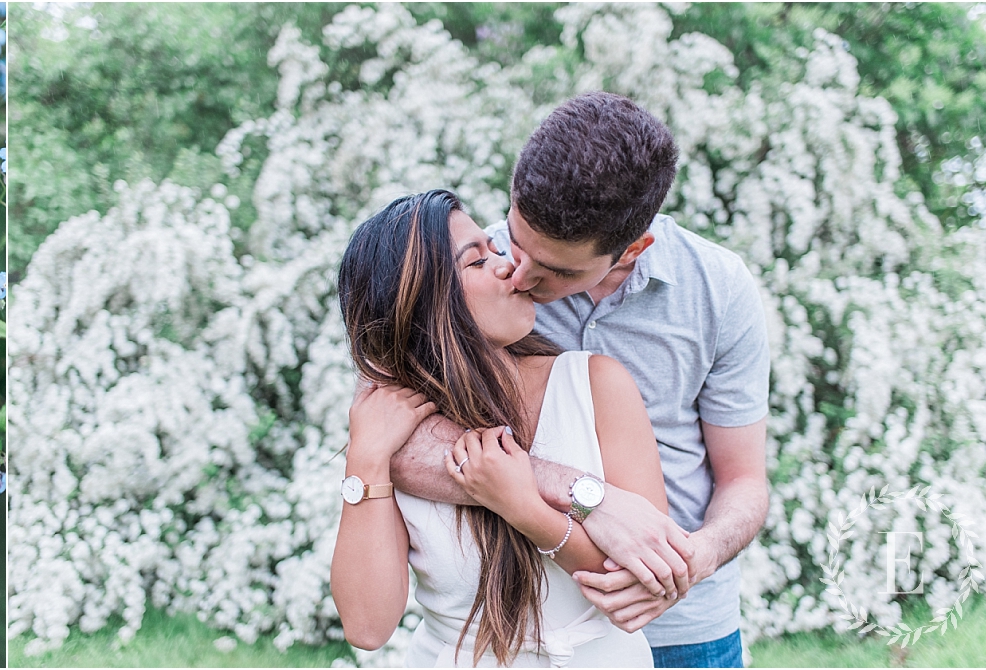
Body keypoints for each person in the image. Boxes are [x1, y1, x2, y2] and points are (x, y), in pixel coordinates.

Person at [378, 92, 772, 668]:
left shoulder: (719, 288)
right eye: (516, 240)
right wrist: (588, 498)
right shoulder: (476, 272)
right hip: (544, 626)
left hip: (690, 628)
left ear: (634, 248)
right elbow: (387, 429)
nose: (521, 273)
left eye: (558, 270)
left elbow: (745, 480)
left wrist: (688, 558)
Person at [330, 189, 662, 667]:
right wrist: (364, 457)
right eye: (476, 262)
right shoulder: (395, 428)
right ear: (423, 302)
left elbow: (647, 574)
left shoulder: (594, 385)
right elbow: (367, 625)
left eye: (495, 250)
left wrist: (524, 506)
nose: (509, 266)